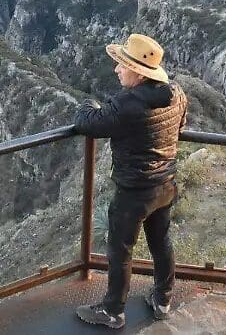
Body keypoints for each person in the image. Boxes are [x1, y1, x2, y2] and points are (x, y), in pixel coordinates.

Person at [73, 34, 188, 329]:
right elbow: (180, 127)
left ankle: (113, 311)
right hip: (165, 184)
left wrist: (87, 103)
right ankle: (162, 300)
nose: (116, 70)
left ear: (138, 71)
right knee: (161, 242)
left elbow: (88, 123)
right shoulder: (176, 94)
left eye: (122, 65)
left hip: (134, 191)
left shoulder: (128, 104)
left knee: (120, 249)